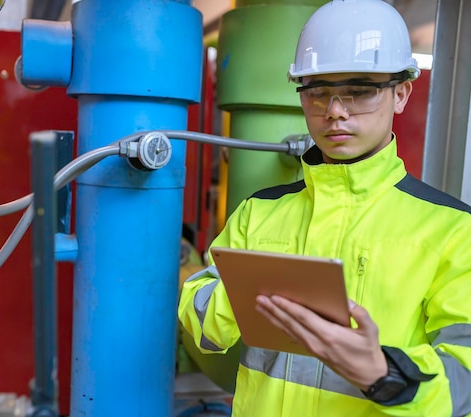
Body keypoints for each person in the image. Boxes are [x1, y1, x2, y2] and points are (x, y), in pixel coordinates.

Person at [178, 0, 471, 416]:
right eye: (318, 91)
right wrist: (248, 294)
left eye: (361, 90)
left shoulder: (455, 230)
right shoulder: (257, 213)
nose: (335, 110)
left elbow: (466, 381)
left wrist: (385, 374)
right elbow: (203, 324)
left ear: (401, 93)